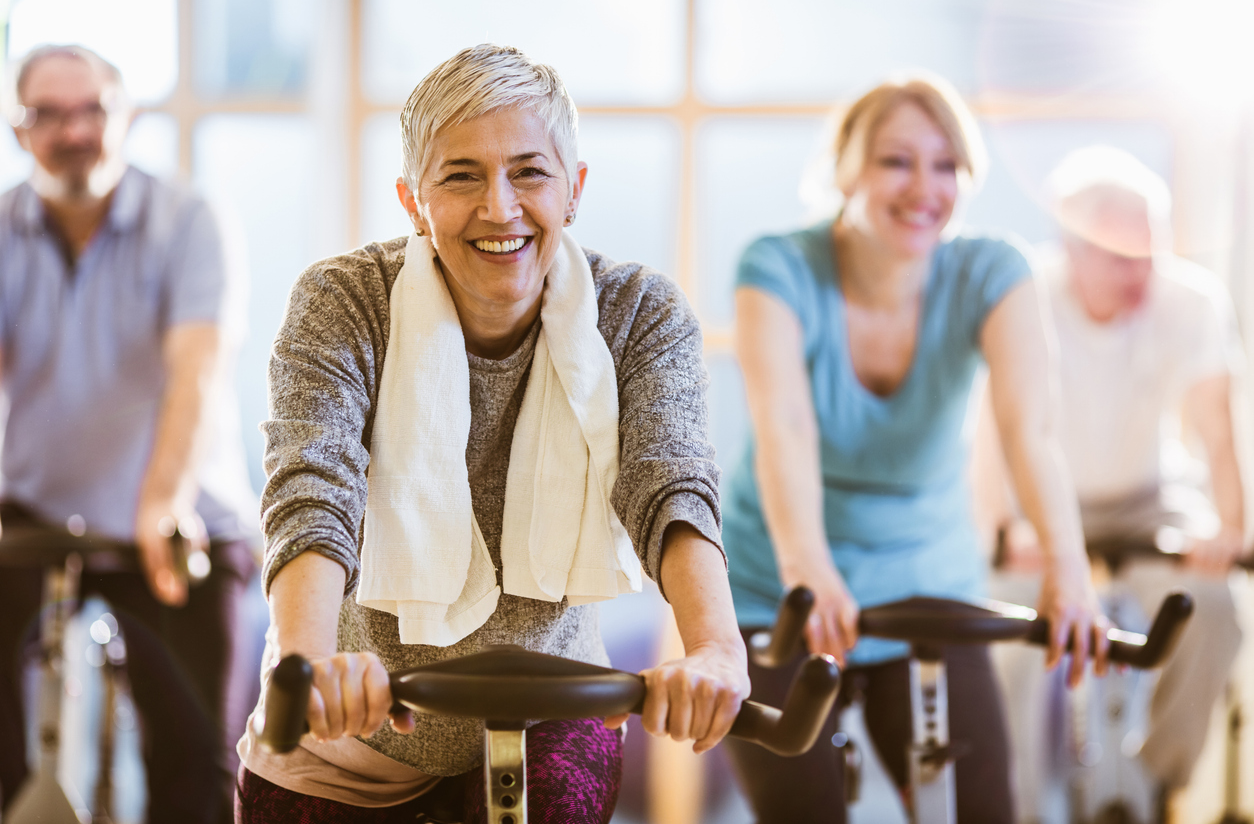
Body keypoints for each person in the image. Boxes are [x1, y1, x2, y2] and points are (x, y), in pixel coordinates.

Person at [233, 43, 748, 824]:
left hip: (547, 707)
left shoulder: (640, 313)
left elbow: (669, 483)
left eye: (529, 172)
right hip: (344, 740)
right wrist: (308, 662)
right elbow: (312, 487)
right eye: (461, 175)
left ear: (574, 190)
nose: (500, 207)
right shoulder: (344, 300)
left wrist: (714, 646)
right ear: (413, 200)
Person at [719, 73, 1110, 823]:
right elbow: (785, 429)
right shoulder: (777, 266)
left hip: (926, 579)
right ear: (846, 170)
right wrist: (810, 572)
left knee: (982, 809)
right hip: (782, 586)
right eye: (896, 161)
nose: (924, 187)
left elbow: (1030, 428)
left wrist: (1068, 567)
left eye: (946, 165)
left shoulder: (991, 271)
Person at [0, 45, 258, 824]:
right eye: (49, 114)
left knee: (199, 756)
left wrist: (160, 501)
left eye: (92, 111)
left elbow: (196, 369)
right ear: (21, 131)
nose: (73, 131)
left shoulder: (188, 220)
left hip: (178, 519)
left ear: (127, 119)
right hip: (37, 514)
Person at [989, 146, 1245, 799]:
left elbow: (1217, 428)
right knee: (1006, 641)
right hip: (1043, 503)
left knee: (1213, 611)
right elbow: (994, 428)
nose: (1140, 275)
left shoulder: (1190, 301)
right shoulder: (1025, 299)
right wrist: (1002, 524)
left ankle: (1151, 783)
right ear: (1070, 246)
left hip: (1149, 499)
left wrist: (1230, 527)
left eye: (1149, 255)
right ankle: (1014, 802)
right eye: (1119, 257)